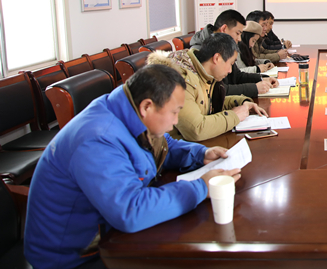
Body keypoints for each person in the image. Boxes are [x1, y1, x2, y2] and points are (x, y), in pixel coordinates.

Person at [24, 65, 241, 269]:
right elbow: (130, 210)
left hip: (107, 236)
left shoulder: (127, 108)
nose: (176, 121)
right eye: (174, 112)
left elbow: (162, 144)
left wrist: (200, 153)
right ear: (147, 106)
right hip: (73, 258)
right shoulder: (97, 140)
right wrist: (200, 187)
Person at [148, 32, 268, 141]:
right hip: (175, 150)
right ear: (217, 58)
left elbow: (207, 104)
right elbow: (196, 129)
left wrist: (242, 102)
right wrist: (234, 116)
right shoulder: (182, 79)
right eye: (231, 64)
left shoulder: (202, 73)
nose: (230, 70)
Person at [191, 9, 276, 97]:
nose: (239, 39)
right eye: (237, 33)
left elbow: (237, 75)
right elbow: (218, 90)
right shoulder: (202, 50)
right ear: (224, 29)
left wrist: (262, 78)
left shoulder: (225, 45)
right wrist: (255, 88)